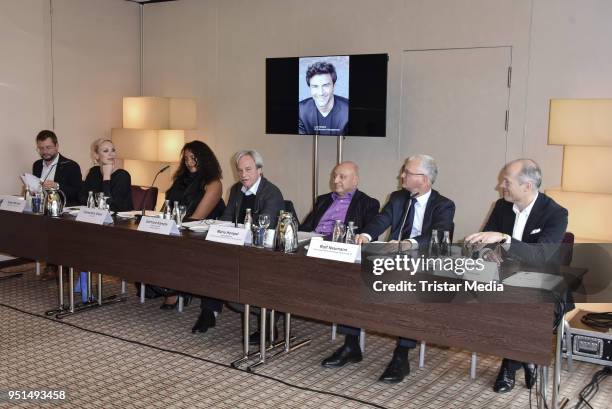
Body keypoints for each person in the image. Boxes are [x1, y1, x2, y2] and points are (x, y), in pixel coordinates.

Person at [321, 154, 455, 384]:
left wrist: (410, 243)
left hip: (421, 264)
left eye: (407, 172)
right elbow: (381, 220)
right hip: (388, 259)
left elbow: (442, 235)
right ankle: (351, 345)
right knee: (352, 281)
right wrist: (365, 234)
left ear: (423, 179)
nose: (401, 175)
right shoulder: (398, 198)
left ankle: (401, 356)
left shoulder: (444, 205)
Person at [465, 159, 568, 394]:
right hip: (502, 280)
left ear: (527, 186)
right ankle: (526, 359)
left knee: (517, 308)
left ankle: (508, 367)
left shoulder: (555, 213)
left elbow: (541, 255)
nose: (501, 185)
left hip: (542, 286)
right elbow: (483, 243)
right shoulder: (501, 206)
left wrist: (504, 239)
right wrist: (489, 252)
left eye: (506, 181)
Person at [204, 150, 284, 339]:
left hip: (262, 253)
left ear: (260, 170)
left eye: (248, 169)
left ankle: (269, 322)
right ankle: (208, 312)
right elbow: (226, 218)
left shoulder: (272, 192)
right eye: (239, 170)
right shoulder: (235, 190)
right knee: (210, 264)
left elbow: (265, 226)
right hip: (236, 247)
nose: (243, 175)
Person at [151, 141, 226, 310]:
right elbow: (167, 208)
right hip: (178, 230)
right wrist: (159, 224)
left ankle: (176, 291)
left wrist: (171, 229)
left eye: (194, 158)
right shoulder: (180, 180)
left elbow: (196, 219)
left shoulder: (214, 183)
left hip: (200, 236)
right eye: (186, 158)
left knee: (168, 248)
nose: (189, 162)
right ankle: (168, 288)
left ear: (204, 159)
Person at [32, 130, 82, 279]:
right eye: (41, 148)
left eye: (48, 147)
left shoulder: (71, 165)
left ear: (57, 146)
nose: (45, 152)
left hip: (65, 210)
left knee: (56, 227)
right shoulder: (37, 165)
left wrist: (57, 186)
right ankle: (52, 264)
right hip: (43, 208)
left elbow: (78, 192)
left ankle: (62, 266)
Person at [300, 161, 379, 236]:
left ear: (355, 180)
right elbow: (305, 228)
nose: (335, 181)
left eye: (342, 177)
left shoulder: (369, 204)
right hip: (313, 243)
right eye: (335, 176)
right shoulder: (322, 200)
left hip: (340, 246)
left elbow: (370, 235)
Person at [79, 139, 133, 212]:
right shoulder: (93, 172)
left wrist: (106, 177)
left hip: (120, 220)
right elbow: (82, 198)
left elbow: (111, 206)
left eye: (113, 150)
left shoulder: (122, 176)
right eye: (106, 151)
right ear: (96, 155)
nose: (111, 154)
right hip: (96, 217)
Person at [298, 61, 349, 136]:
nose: (321, 93)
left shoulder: (348, 109)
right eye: (315, 86)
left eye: (325, 85)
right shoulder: (300, 111)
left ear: (334, 86)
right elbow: (300, 143)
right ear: (310, 88)